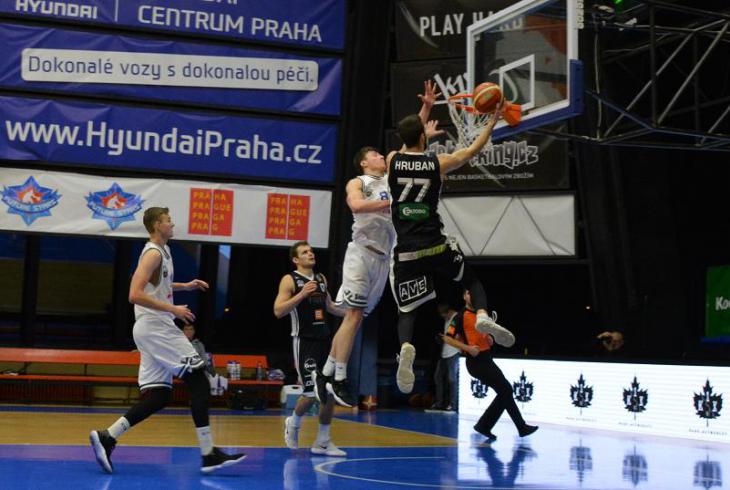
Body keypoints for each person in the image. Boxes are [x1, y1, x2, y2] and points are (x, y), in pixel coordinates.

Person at [90, 207, 245, 474]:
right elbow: (134, 293)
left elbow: (155, 286)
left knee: (160, 395)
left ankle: (108, 436)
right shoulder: (152, 253)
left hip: (150, 328)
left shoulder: (163, 252)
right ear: (156, 226)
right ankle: (208, 453)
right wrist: (173, 309)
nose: (172, 224)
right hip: (156, 327)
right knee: (199, 378)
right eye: (168, 221)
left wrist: (184, 286)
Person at [322, 80, 442, 408]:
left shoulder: (390, 178)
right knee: (354, 315)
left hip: (383, 258)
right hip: (361, 253)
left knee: (355, 317)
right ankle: (340, 378)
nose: (380, 155)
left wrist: (426, 108)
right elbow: (356, 206)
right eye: (375, 154)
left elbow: (410, 140)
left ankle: (328, 371)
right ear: (365, 162)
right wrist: (389, 204)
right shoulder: (359, 181)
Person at [386, 101, 516, 394]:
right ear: (423, 136)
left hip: (407, 252)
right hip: (436, 245)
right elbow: (470, 152)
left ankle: (405, 346)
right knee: (470, 280)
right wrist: (490, 124)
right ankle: (482, 315)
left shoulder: (392, 159)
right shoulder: (438, 162)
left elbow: (407, 144)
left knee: (407, 310)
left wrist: (420, 125)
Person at [273, 241, 347, 457]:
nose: (310, 254)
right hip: (304, 341)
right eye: (305, 252)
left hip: (325, 341)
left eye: (311, 251)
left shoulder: (321, 278)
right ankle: (294, 422)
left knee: (328, 392)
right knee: (310, 393)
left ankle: (322, 441)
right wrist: (301, 294)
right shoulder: (290, 279)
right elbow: (278, 311)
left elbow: (330, 306)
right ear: (296, 259)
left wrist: (355, 314)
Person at [441, 289, 538, 441]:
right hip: (476, 362)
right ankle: (515, 426)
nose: (471, 295)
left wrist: (488, 338)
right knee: (506, 390)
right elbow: (447, 338)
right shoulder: (459, 316)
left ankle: (489, 426)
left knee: (505, 391)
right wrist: (468, 348)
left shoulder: (481, 314)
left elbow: (482, 333)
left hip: (486, 359)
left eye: (473, 293)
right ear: (464, 296)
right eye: (468, 293)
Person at [429, 303, 459, 412]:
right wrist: (441, 338)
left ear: (449, 311)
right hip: (444, 353)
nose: (444, 318)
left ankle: (453, 404)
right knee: (438, 377)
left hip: (454, 352)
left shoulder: (456, 318)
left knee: (452, 379)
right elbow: (448, 335)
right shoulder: (447, 319)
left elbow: (454, 335)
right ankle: (439, 403)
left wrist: (445, 338)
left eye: (444, 315)